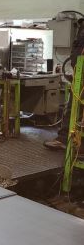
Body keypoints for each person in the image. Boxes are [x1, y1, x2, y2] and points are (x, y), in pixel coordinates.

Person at [44, 18, 84, 150]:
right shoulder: (81, 28)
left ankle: (71, 141)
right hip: (79, 75)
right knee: (72, 107)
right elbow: (76, 52)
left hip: (81, 76)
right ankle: (65, 139)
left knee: (75, 108)